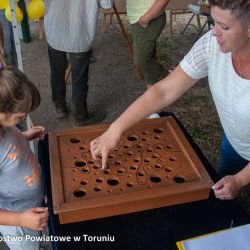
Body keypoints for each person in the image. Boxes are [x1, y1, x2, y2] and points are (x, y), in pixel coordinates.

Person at [90, 0, 250, 201]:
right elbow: (164, 90)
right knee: (225, 189)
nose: (215, 32)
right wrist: (115, 129)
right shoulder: (212, 43)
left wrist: (240, 180)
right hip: (235, 142)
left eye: (224, 27)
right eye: (214, 21)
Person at [0, 66, 49, 249]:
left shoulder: (4, 126)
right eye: (20, 116)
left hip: (31, 210)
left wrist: (25, 136)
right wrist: (21, 219)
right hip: (19, 226)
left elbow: (9, 148)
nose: (24, 118)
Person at [44, 0, 113, 126]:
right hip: (81, 32)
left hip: (55, 29)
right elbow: (107, 5)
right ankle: (80, 115)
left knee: (56, 72)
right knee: (79, 79)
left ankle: (59, 107)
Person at [126, 0, 169, 85]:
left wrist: (146, 19)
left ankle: (170, 78)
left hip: (148, 17)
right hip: (139, 16)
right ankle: (152, 90)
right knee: (148, 58)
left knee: (142, 60)